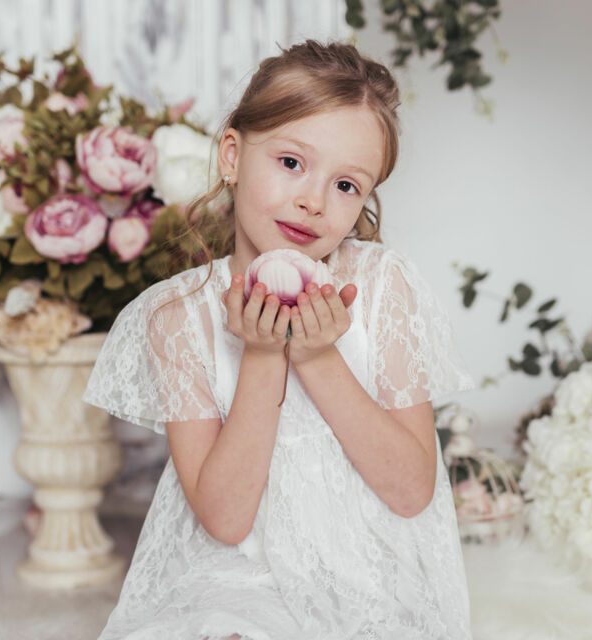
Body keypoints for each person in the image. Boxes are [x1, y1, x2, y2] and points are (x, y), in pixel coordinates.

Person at [82, 38, 476, 640]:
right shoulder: (177, 316)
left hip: (368, 575)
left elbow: (410, 491)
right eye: (292, 163)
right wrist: (263, 353)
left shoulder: (380, 285)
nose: (313, 201)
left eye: (347, 186)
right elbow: (225, 519)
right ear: (234, 155)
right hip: (238, 577)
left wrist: (317, 354)